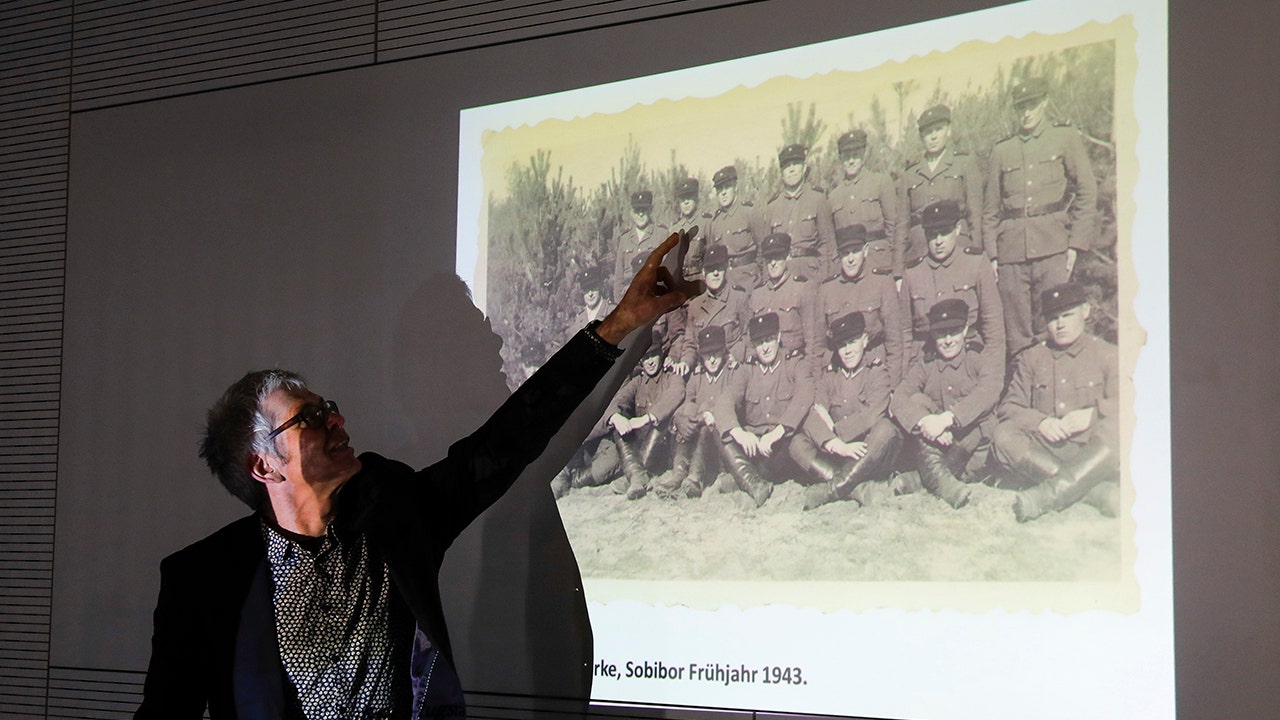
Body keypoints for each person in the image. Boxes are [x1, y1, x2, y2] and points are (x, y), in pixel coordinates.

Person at [135, 233, 693, 720]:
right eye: (309, 418)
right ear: (263, 465)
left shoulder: (394, 510)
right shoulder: (202, 581)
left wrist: (619, 325)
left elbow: (505, 444)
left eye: (328, 405)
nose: (336, 419)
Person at [982, 76, 1098, 357]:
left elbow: (1087, 188)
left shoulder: (1063, 137)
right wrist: (993, 256)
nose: (1026, 112)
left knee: (1053, 324)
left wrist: (1075, 244)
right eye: (1020, 106)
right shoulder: (1002, 150)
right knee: (1017, 333)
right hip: (1011, 255)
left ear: (1044, 102)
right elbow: (990, 210)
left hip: (1052, 247)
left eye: (1032, 104)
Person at [991, 282, 1120, 522]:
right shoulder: (1032, 357)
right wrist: (1041, 422)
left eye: (1067, 315)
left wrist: (1093, 416)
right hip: (1048, 452)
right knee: (1003, 435)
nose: (1060, 324)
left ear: (1085, 311)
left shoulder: (1108, 354)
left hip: (1092, 450)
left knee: (1121, 428)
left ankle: (1046, 495)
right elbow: (1009, 408)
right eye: (1053, 318)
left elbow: (1132, 405)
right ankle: (1096, 492)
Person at [890, 298, 1002, 509]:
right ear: (933, 335)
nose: (948, 340)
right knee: (916, 401)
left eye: (954, 332)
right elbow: (899, 398)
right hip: (939, 443)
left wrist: (947, 419)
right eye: (941, 334)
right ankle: (946, 485)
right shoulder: (927, 363)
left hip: (973, 443)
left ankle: (923, 479)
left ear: (965, 329)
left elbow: (990, 390)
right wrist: (925, 422)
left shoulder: (978, 356)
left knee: (984, 424)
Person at [793, 312, 902, 511]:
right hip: (840, 454)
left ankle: (834, 489)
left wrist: (834, 430)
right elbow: (814, 413)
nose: (847, 351)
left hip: (867, 454)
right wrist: (835, 444)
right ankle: (855, 489)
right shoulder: (830, 376)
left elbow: (869, 417)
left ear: (865, 341)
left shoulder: (877, 372)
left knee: (885, 429)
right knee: (796, 443)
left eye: (852, 342)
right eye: (842, 345)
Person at [714, 312, 815, 508]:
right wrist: (740, 433)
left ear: (778, 337)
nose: (765, 347)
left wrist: (777, 432)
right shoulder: (746, 370)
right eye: (760, 342)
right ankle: (755, 484)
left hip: (780, 445)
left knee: (792, 442)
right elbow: (723, 402)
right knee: (720, 428)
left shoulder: (794, 363)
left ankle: (742, 479)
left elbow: (805, 396)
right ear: (753, 345)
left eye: (769, 339)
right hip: (754, 446)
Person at [900, 200, 1004, 363]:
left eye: (944, 232)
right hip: (924, 361)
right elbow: (904, 333)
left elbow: (993, 326)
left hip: (968, 359)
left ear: (957, 229)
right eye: (932, 234)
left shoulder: (976, 263)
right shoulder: (912, 273)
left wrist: (992, 376)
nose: (938, 241)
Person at [818, 223, 907, 384]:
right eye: (845, 254)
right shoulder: (827, 289)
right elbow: (820, 345)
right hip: (840, 375)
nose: (850, 259)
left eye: (855, 251)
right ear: (839, 255)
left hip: (875, 371)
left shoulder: (882, 282)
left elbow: (894, 341)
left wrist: (892, 386)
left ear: (866, 250)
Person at [900, 104, 986, 267]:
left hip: (957, 246)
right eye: (928, 132)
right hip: (920, 249)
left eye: (938, 129)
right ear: (921, 136)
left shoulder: (964, 163)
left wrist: (976, 253)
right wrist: (898, 271)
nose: (933, 136)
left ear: (948, 130)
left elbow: (975, 214)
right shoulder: (910, 173)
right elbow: (902, 226)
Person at [657, 325, 733, 499]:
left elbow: (731, 405)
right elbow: (686, 403)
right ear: (700, 355)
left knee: (705, 422)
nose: (712, 359)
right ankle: (679, 473)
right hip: (694, 443)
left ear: (723, 351)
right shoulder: (697, 376)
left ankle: (696, 478)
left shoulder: (731, 373)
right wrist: (680, 419)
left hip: (720, 447)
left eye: (716, 353)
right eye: (707, 354)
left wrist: (703, 414)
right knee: (688, 413)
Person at [604, 343, 686, 500]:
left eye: (653, 355)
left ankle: (635, 475)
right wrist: (616, 417)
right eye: (645, 357)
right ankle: (637, 475)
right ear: (640, 361)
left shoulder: (672, 376)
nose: (650, 361)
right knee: (619, 424)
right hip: (640, 445)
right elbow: (616, 401)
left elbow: (677, 393)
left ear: (661, 355)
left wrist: (645, 419)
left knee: (659, 424)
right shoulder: (637, 382)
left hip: (663, 448)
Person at [826, 129, 899, 278]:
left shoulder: (881, 182)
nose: (851, 160)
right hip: (849, 266)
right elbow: (831, 242)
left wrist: (896, 270)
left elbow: (894, 228)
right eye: (846, 156)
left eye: (855, 155)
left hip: (879, 262)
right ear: (840, 158)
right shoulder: (833, 197)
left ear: (864, 154)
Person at [749, 233, 821, 371]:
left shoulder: (802, 288)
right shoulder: (757, 294)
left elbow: (813, 341)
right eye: (769, 259)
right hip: (765, 369)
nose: (773, 263)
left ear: (788, 256)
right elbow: (750, 340)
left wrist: (811, 371)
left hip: (793, 365)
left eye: (777, 257)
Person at [765, 144, 836, 283]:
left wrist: (827, 280)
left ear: (804, 168)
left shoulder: (817, 199)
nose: (791, 169)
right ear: (782, 172)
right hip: (782, 274)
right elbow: (766, 251)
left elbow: (827, 244)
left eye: (795, 164)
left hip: (810, 272)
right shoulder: (772, 206)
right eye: (787, 166)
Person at [673, 244, 749, 371]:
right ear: (703, 272)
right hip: (704, 370)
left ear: (725, 269)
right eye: (710, 269)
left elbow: (748, 335)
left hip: (731, 367)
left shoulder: (738, 298)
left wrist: (735, 354)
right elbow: (690, 343)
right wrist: (686, 362)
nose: (715, 273)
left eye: (719, 268)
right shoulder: (695, 305)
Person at [706, 165, 765, 293]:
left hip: (749, 279)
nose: (723, 192)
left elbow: (763, 247)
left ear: (736, 187)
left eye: (727, 187)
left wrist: (762, 278)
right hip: (725, 281)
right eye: (719, 189)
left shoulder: (749, 212)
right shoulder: (715, 221)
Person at [612, 189, 668, 302]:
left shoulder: (661, 235)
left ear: (650, 209)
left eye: (644, 209)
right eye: (637, 210)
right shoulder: (624, 239)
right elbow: (619, 277)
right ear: (632, 212)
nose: (641, 214)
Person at [670, 177, 710, 281]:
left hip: (700, 278)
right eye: (683, 199)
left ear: (696, 199)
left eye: (689, 197)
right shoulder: (674, 229)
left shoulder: (706, 223)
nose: (686, 202)